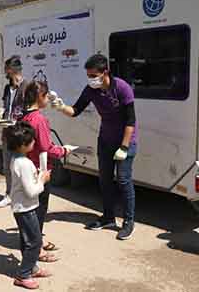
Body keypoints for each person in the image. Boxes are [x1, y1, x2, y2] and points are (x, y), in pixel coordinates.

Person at [53, 54, 138, 240]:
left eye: (93, 75)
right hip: (105, 141)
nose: (91, 79)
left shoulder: (122, 88)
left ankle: (129, 221)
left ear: (105, 72)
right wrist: (60, 107)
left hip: (125, 141)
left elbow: (130, 121)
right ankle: (108, 217)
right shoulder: (91, 90)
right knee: (105, 180)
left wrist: (124, 147)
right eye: (89, 76)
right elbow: (75, 111)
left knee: (123, 180)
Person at [21, 80, 75, 261]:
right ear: (40, 97)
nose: (47, 100)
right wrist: (65, 150)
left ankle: (37, 242)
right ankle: (36, 250)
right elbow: (47, 148)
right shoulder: (40, 120)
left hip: (28, 168)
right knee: (38, 211)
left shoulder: (24, 116)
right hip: (41, 172)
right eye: (45, 96)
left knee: (31, 210)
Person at [3, 122, 52, 290]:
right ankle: (23, 274)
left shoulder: (17, 159)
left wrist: (36, 175)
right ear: (23, 145)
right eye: (32, 141)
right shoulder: (23, 163)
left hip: (22, 207)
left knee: (27, 240)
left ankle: (31, 267)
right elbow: (32, 191)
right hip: (26, 208)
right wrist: (42, 180)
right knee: (35, 242)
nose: (34, 142)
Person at [0, 56, 29, 208]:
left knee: (21, 166)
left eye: (7, 70)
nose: (5, 73)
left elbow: (29, 109)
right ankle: (8, 194)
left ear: (13, 70)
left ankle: (24, 194)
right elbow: (6, 107)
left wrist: (19, 121)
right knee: (7, 166)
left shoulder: (27, 86)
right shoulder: (7, 88)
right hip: (7, 131)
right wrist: (0, 115)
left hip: (21, 133)